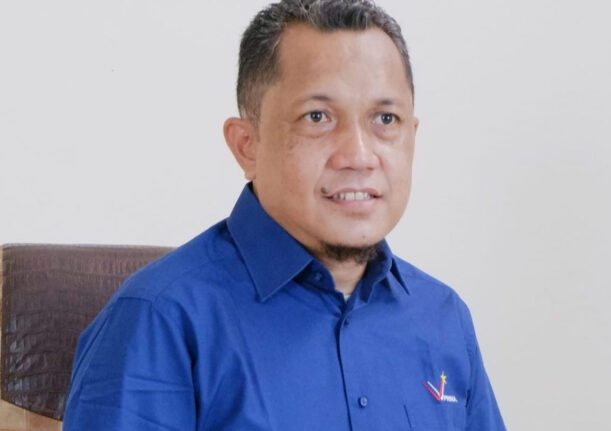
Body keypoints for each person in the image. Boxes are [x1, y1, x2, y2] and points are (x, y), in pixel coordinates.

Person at [62, 0, 507, 430]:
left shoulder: (443, 318)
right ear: (246, 145)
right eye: (317, 117)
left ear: (412, 135)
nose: (359, 155)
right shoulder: (161, 318)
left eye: (385, 119)